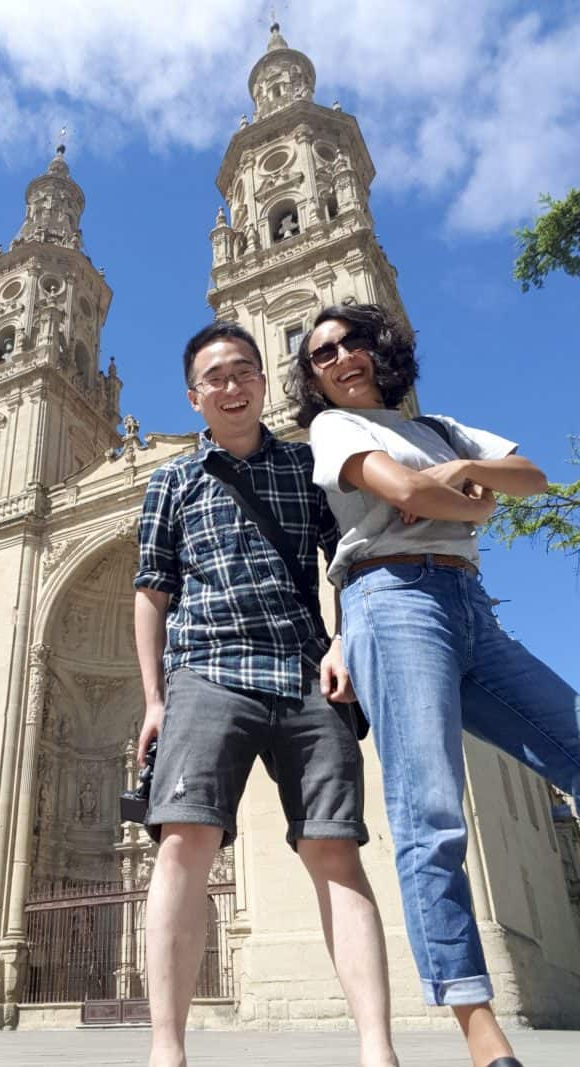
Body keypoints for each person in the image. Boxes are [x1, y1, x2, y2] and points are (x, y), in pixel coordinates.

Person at [286, 301, 580, 1067]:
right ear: (313, 377)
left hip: (469, 605)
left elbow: (534, 477)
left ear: (381, 349)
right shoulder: (332, 429)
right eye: (321, 353)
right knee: (431, 812)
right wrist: (467, 497)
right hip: (392, 600)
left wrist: (470, 472)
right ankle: (484, 1039)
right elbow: (408, 495)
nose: (342, 357)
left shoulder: (442, 425)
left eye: (352, 342)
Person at [134, 322, 398, 1067]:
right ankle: (167, 1052)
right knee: (183, 845)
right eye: (215, 376)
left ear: (262, 381)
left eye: (244, 370)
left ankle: (378, 1051)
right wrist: (154, 699)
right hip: (207, 670)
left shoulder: (309, 466)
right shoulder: (173, 481)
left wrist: (344, 640)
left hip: (306, 675)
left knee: (335, 849)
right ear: (195, 396)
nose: (231, 384)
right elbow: (151, 592)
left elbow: (347, 560)